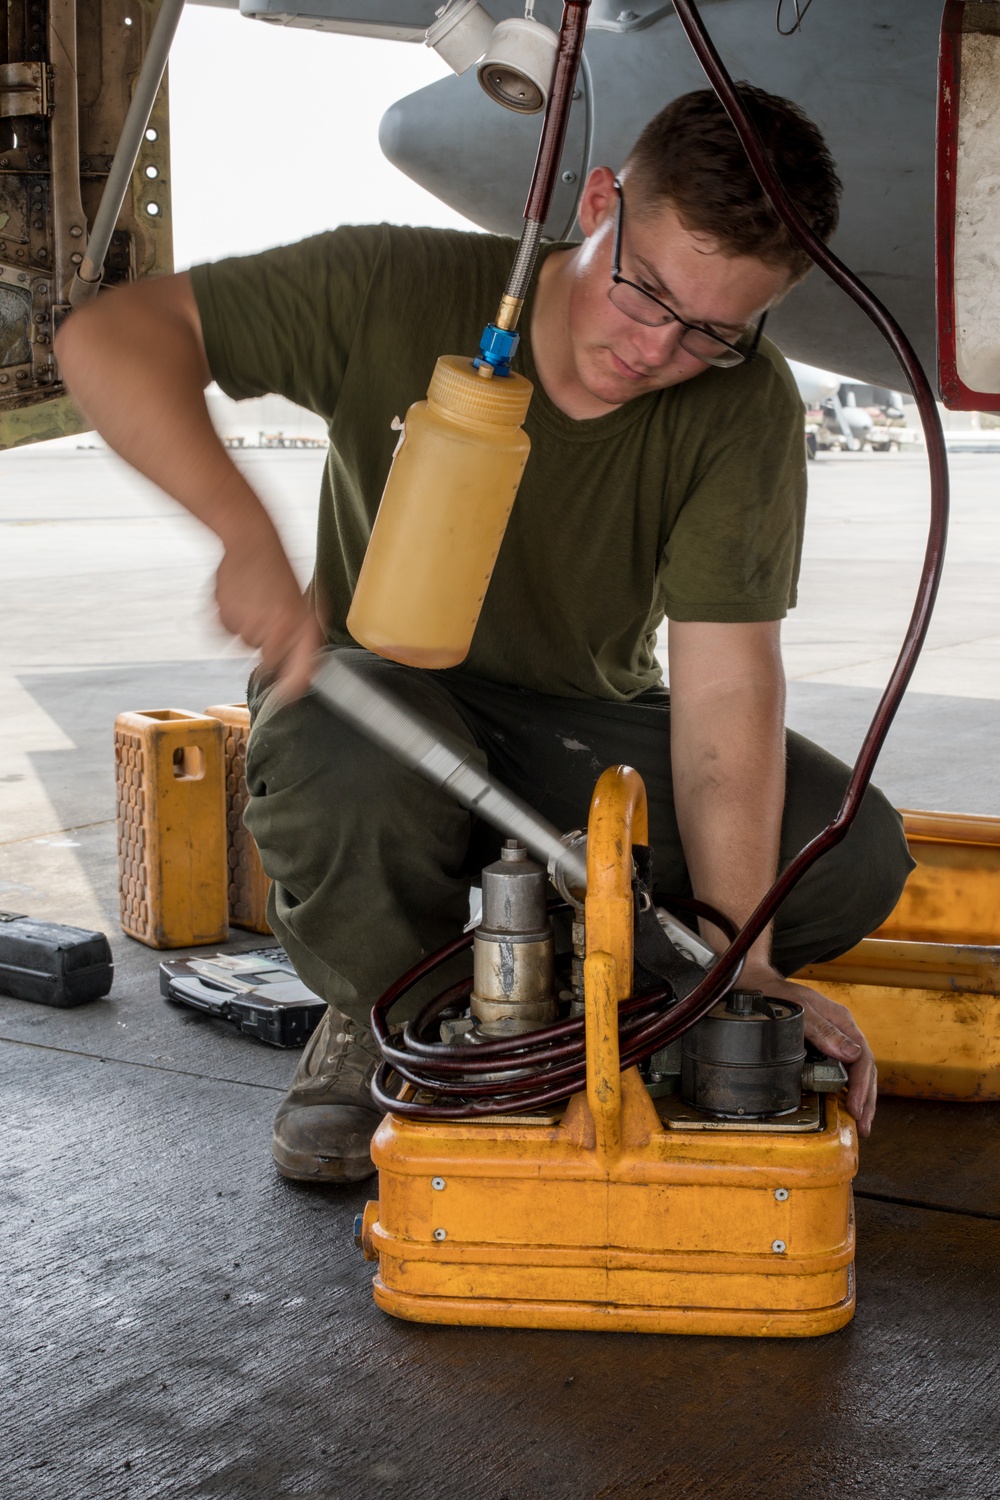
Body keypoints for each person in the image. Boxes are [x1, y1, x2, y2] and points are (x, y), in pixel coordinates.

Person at [56, 85, 912, 1183]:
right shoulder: (399, 285)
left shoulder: (741, 407)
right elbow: (114, 335)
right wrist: (242, 532)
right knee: (339, 753)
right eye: (643, 293)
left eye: (710, 330)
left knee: (850, 850)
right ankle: (383, 1009)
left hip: (574, 733)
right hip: (380, 705)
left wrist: (737, 959)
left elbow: (727, 687)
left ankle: (604, 987)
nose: (656, 350)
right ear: (598, 203)